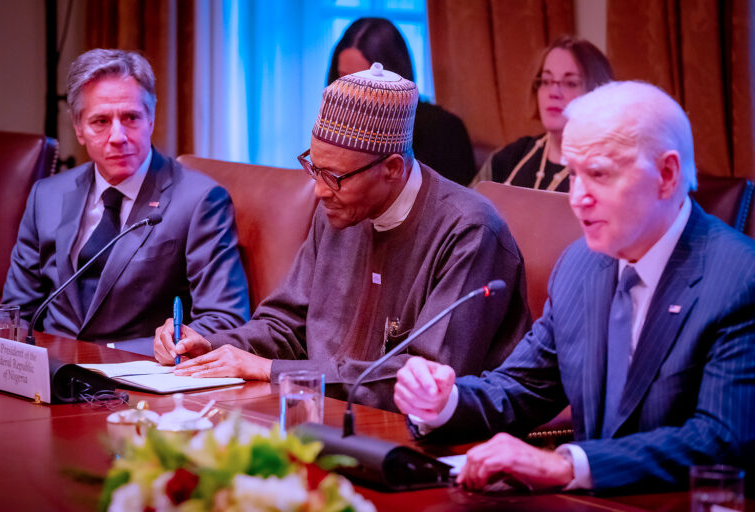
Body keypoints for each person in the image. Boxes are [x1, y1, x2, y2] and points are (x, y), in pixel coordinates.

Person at [394, 81, 755, 492]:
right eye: (573, 175)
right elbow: (524, 386)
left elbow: (720, 439)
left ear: (667, 175)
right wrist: (444, 402)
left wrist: (569, 465)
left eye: (598, 174)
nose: (577, 197)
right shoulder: (580, 265)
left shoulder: (740, 280)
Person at [154, 63, 531, 410]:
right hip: (325, 416)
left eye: (334, 177)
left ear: (392, 169)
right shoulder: (337, 209)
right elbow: (285, 325)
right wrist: (211, 344)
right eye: (314, 168)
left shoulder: (468, 230)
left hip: (422, 437)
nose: (319, 190)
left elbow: (423, 381)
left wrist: (271, 370)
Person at [2, 49, 250, 354]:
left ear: (151, 119)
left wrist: (155, 349)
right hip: (51, 368)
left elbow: (224, 319)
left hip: (135, 371)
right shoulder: (46, 195)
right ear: (78, 128)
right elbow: (16, 313)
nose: (117, 136)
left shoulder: (200, 200)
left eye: (131, 117)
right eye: (100, 121)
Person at [328, 17, 477, 186]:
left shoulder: (441, 129)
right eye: (344, 79)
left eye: (365, 81)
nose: (351, 92)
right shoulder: (338, 128)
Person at [472, 36, 613, 192]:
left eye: (570, 83)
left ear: (597, 93)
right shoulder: (510, 158)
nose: (553, 92)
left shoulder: (609, 170)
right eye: (546, 81)